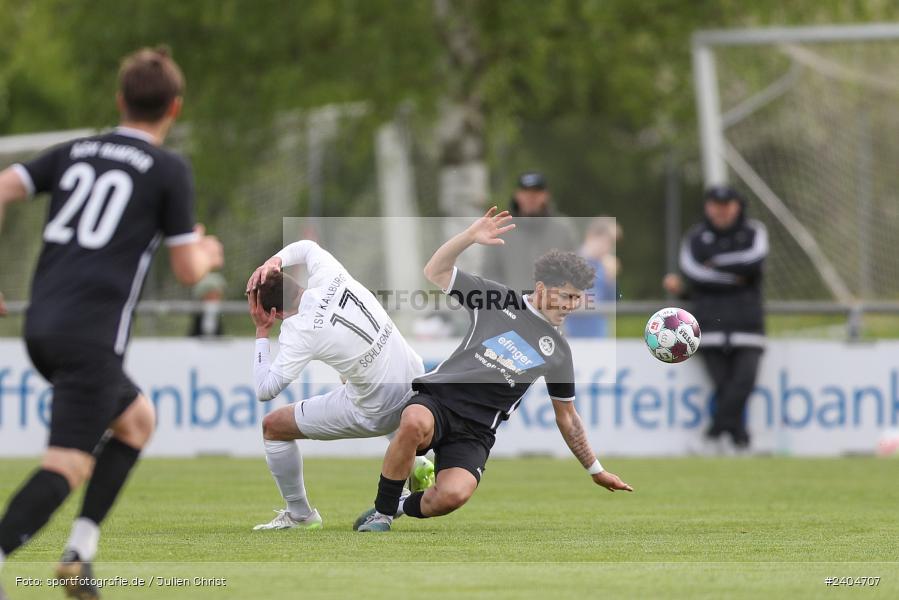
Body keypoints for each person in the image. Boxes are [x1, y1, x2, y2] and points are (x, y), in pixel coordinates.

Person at [0, 47, 223, 600]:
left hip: (43, 325)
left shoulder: (75, 150)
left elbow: (3, 185)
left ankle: (78, 556)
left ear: (120, 100)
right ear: (175, 107)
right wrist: (207, 252)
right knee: (67, 465)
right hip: (90, 338)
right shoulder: (168, 169)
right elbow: (187, 268)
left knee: (137, 421)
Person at [354, 207, 633, 533]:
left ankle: (400, 504)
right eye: (566, 297)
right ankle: (382, 514)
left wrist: (595, 469)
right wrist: (469, 237)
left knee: (451, 496)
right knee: (414, 421)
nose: (571, 306)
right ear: (542, 288)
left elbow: (568, 418)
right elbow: (436, 270)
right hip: (440, 402)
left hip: (476, 431)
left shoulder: (558, 351)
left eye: (577, 299)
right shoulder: (496, 298)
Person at [246, 240, 434, 531]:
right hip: (415, 380)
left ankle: (300, 515)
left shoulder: (299, 330)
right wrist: (275, 260)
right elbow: (307, 247)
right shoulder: (331, 275)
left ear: (274, 313)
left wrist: (261, 331)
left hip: (378, 410)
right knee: (352, 377)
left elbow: (264, 389)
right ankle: (415, 461)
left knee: (273, 427)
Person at [663, 184, 768, 451]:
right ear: (708, 207)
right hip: (709, 325)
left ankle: (713, 435)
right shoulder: (695, 237)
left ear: (737, 206)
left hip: (748, 325)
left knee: (742, 384)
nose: (721, 211)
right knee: (723, 385)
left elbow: (755, 261)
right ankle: (741, 440)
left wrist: (716, 264)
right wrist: (736, 278)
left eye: (727, 205)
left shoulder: (754, 232)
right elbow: (694, 274)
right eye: (715, 205)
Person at [482, 172, 578, 294]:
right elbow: (489, 274)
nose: (531, 197)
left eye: (536, 192)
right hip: (510, 302)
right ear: (517, 195)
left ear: (546, 195)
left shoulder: (563, 230)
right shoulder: (501, 230)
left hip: (552, 302)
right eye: (526, 192)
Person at [565, 217, 621, 338]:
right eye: (607, 241)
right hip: (573, 337)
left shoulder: (605, 267)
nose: (609, 248)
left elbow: (614, 304)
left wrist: (611, 280)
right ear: (591, 236)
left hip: (599, 337)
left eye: (612, 243)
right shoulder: (568, 262)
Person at [189, 272, 227, 337]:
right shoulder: (198, 317)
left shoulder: (217, 317)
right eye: (210, 296)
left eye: (217, 296)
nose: (214, 300)